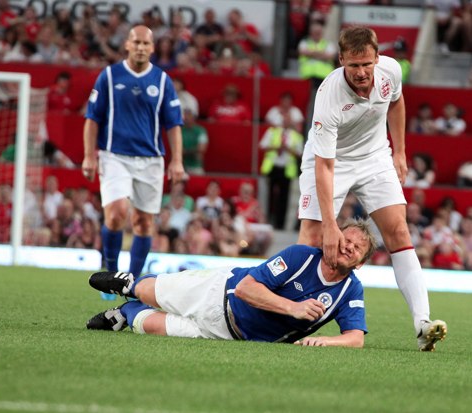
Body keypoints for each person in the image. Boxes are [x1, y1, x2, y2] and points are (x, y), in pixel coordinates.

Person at [296, 25, 447, 351]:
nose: (362, 72)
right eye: (354, 65)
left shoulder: (390, 70)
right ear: (341, 61)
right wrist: (331, 225)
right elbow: (324, 166)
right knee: (310, 235)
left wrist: (400, 151)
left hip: (375, 157)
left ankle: (423, 324)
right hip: (328, 161)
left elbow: (396, 102)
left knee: (399, 233)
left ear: (378, 58)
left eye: (367, 64)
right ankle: (291, 318)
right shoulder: (328, 96)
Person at [86, 220, 376, 348]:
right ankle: (128, 285)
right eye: (346, 240)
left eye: (356, 248)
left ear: (360, 262)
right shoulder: (301, 256)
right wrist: (294, 308)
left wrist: (326, 341)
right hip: (219, 293)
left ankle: (126, 313)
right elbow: (246, 289)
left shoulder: (351, 290)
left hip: (229, 336)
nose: (348, 247)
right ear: (334, 238)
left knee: (148, 325)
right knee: (153, 291)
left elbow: (355, 338)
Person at [82, 25, 184, 295]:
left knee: (144, 223)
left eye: (145, 43)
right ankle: (111, 275)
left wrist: (177, 161)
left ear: (152, 48)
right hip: (114, 155)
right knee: (116, 214)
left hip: (151, 160)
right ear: (127, 44)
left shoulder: (162, 81)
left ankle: (133, 282)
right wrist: (88, 156)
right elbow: (92, 119)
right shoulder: (108, 76)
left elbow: (173, 124)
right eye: (136, 42)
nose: (140, 47)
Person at [260, 114, 304, 230]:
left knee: (284, 198)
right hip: (273, 167)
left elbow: (299, 153)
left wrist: (287, 149)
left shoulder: (296, 136)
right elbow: (262, 146)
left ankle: (280, 224)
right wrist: (277, 147)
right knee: (270, 196)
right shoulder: (272, 132)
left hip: (286, 169)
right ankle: (268, 221)